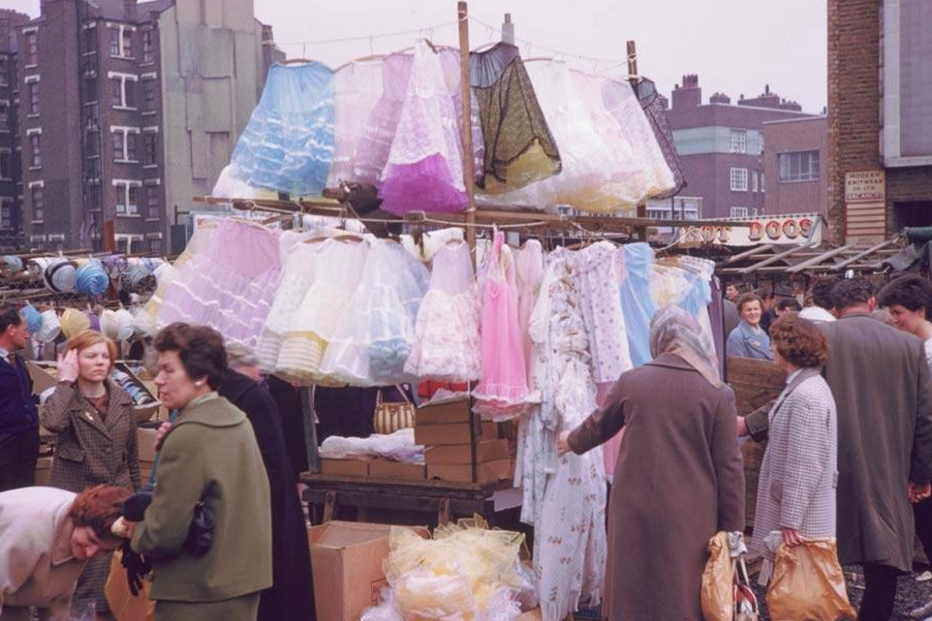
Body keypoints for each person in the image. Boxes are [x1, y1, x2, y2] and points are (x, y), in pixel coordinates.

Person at [741, 278, 932, 621]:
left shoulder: (825, 339)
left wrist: (750, 424)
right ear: (872, 302)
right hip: (891, 467)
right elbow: (925, 417)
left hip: (833, 465)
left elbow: (797, 392)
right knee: (882, 561)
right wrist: (920, 475)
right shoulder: (910, 346)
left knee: (825, 554)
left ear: (834, 309)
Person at [557, 306, 745, 620]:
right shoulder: (717, 393)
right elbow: (729, 468)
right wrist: (733, 529)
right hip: (691, 512)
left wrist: (569, 440)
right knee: (682, 588)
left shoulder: (633, 381)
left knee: (633, 586)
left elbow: (597, 426)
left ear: (658, 338)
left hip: (633, 505)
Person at [156, 342, 316, 621]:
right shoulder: (225, 402)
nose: (159, 379)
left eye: (168, 369)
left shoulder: (242, 399)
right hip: (253, 538)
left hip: (243, 540)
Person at [125, 323, 272, 621]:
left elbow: (163, 533)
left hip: (196, 590)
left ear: (200, 375)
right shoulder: (236, 419)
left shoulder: (189, 435)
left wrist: (133, 532)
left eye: (169, 370)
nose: (159, 380)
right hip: (242, 582)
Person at [40, 329, 141, 617]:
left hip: (116, 506)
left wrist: (136, 505)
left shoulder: (122, 400)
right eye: (91, 356)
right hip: (78, 505)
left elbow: (132, 457)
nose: (100, 362)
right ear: (73, 360)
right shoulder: (64, 399)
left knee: (113, 582)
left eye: (105, 356)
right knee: (77, 581)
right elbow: (52, 424)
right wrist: (65, 381)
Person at [750, 316, 839, 570]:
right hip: (802, 515)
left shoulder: (805, 395)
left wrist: (791, 519)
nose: (770, 348)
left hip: (802, 522)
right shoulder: (807, 386)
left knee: (799, 593)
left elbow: (805, 463)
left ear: (791, 348)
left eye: (774, 342)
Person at [0, 484, 131, 621]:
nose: (91, 553)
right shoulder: (28, 533)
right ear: (79, 520)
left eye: (105, 550)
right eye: (91, 540)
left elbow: (58, 598)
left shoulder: (79, 538)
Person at [876, 274, 932, 578]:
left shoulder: (928, 354)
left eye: (898, 313)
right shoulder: (913, 348)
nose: (893, 319)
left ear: (920, 310)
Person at [0, 305, 39, 493]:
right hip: (5, 442)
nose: (27, 335)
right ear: (11, 330)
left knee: (25, 491)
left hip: (27, 439)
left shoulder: (19, 361)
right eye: (24, 330)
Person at [727, 293, 773, 360]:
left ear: (761, 311)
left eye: (756, 309)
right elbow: (736, 366)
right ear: (741, 313)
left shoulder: (763, 333)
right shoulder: (736, 335)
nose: (753, 312)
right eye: (749, 310)